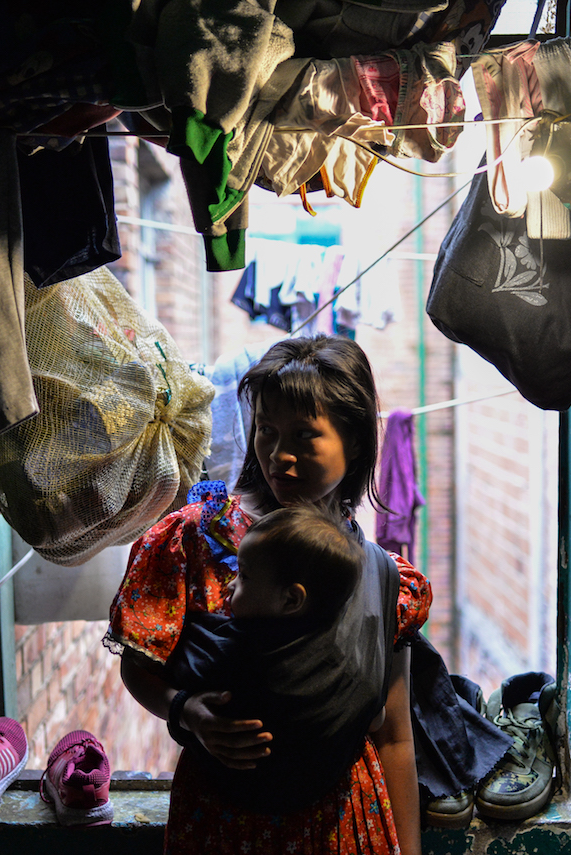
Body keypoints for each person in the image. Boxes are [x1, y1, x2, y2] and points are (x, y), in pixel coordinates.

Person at [105, 334, 429, 855]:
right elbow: (138, 667)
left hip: (342, 823)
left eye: (305, 435)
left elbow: (393, 735)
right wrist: (187, 711)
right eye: (267, 431)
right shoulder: (193, 540)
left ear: (355, 442)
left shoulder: (383, 577)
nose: (280, 455)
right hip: (220, 820)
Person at [161, 501, 393, 814]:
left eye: (243, 576)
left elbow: (177, 659)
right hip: (322, 813)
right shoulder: (348, 665)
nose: (229, 585)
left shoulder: (229, 658)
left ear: (291, 598)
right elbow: (377, 718)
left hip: (228, 813)